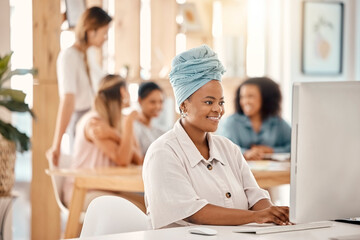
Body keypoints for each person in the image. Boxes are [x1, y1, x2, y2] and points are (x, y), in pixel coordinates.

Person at [143, 45, 290, 229]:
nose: (218, 109)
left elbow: (255, 196)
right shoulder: (163, 152)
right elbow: (195, 212)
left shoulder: (228, 148)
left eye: (221, 102)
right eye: (208, 102)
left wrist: (275, 217)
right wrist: (257, 217)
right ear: (183, 106)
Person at [62, 74, 145, 212]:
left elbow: (138, 160)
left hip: (107, 189)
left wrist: (117, 136)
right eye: (128, 90)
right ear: (123, 92)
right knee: (138, 211)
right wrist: (129, 123)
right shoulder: (94, 122)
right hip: (82, 192)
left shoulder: (119, 122)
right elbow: (123, 160)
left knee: (149, 207)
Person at [47, 7, 112, 166]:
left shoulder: (88, 54)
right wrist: (57, 144)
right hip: (80, 122)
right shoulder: (68, 57)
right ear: (91, 31)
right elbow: (68, 100)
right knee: (83, 168)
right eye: (104, 33)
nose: (106, 38)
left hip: (94, 118)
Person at [217, 77, 291, 160]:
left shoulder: (278, 122)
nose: (245, 101)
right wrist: (245, 153)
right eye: (242, 97)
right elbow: (224, 148)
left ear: (266, 98)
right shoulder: (231, 122)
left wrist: (272, 151)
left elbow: (294, 147)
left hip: (270, 171)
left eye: (250, 96)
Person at [133, 81, 165, 156]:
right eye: (152, 102)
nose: (158, 106)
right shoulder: (134, 129)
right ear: (140, 101)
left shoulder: (160, 131)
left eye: (161, 102)